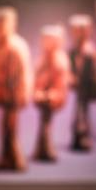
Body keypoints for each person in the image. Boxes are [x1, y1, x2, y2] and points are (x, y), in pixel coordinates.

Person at [0, 6, 32, 171]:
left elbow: (16, 76)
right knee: (6, 125)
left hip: (14, 94)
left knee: (10, 127)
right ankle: (7, 157)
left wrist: (2, 85)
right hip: (4, 93)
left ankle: (14, 159)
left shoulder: (15, 47)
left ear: (11, 25)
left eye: (1, 25)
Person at [32, 25, 70, 162]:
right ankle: (43, 149)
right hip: (43, 95)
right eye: (45, 40)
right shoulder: (42, 59)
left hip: (52, 97)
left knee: (46, 122)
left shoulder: (60, 60)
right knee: (44, 121)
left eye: (50, 40)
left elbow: (61, 82)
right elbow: (36, 77)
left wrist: (53, 94)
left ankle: (46, 149)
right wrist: (38, 91)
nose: (47, 43)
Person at [67, 14, 96, 151]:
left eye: (80, 31)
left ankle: (83, 135)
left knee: (83, 111)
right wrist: (71, 78)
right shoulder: (73, 51)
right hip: (79, 88)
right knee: (80, 110)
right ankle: (78, 135)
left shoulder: (90, 51)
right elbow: (70, 68)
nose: (77, 34)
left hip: (86, 88)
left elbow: (93, 73)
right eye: (75, 31)